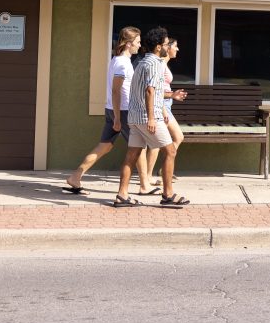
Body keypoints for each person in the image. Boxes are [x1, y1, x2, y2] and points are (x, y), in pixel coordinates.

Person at [63, 26, 155, 195]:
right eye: (137, 42)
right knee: (139, 146)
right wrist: (118, 118)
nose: (139, 45)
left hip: (114, 109)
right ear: (128, 44)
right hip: (124, 111)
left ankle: (76, 176)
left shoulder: (117, 60)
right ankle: (144, 185)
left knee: (104, 146)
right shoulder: (121, 63)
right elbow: (115, 90)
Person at [114, 27, 188, 208]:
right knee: (170, 151)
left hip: (134, 118)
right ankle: (168, 195)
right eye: (164, 44)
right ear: (157, 46)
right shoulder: (156, 64)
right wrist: (152, 118)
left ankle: (122, 195)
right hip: (148, 117)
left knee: (131, 156)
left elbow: (150, 90)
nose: (166, 46)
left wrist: (172, 95)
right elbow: (150, 91)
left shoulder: (141, 63)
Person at [145, 37, 186, 185]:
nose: (177, 49)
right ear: (167, 48)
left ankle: (162, 169)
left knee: (173, 138)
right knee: (162, 140)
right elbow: (154, 89)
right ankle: (149, 175)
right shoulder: (160, 64)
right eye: (175, 46)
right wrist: (162, 109)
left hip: (166, 104)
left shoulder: (164, 64)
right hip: (162, 105)